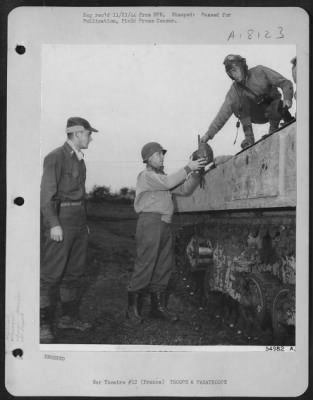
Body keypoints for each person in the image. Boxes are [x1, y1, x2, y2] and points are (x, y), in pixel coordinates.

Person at [126, 142, 209, 325]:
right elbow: (170, 182)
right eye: (157, 154)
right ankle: (132, 310)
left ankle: (158, 308)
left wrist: (197, 172)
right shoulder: (147, 176)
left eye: (162, 154)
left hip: (164, 224)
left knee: (164, 266)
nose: (162, 157)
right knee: (145, 265)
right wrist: (189, 167)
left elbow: (185, 189)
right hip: (150, 223)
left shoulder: (162, 178)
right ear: (147, 159)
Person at [40, 117, 98, 342]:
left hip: (78, 221)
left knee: (73, 273)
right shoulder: (55, 157)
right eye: (88, 134)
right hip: (61, 220)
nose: (90, 138)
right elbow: (47, 195)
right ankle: (44, 324)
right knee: (51, 274)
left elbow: (80, 196)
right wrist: (54, 223)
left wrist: (83, 224)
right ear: (76, 133)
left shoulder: (80, 160)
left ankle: (67, 318)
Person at [200, 54, 294, 149]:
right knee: (239, 102)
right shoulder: (234, 91)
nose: (235, 74)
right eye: (231, 72)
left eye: (236, 69)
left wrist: (287, 98)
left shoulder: (260, 71)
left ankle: (273, 129)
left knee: (276, 104)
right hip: (256, 115)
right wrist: (208, 134)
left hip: (275, 108)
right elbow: (222, 115)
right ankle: (249, 139)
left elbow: (285, 82)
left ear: (242, 67)